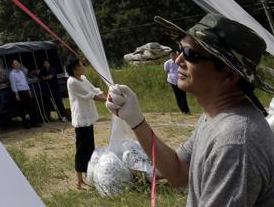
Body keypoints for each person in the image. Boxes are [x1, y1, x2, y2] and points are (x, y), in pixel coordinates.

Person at [106, 13, 274, 206]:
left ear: (229, 74)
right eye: (180, 50)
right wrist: (136, 121)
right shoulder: (215, 117)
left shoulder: (234, 141)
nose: (178, 61)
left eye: (190, 54)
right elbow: (179, 172)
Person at [65, 56, 106, 190]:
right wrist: (109, 100)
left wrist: (109, 94)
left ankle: (90, 176)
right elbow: (91, 96)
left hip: (87, 118)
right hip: (81, 120)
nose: (83, 67)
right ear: (74, 69)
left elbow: (94, 90)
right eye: (80, 65)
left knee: (90, 147)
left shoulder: (83, 79)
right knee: (82, 149)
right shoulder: (72, 82)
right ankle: (79, 181)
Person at [9, 59, 38, 128]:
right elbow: (13, 85)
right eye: (15, 63)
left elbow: (25, 82)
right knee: (23, 109)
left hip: (26, 91)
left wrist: (29, 90)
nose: (17, 64)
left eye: (17, 63)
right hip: (20, 92)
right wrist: (16, 94)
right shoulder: (12, 74)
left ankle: (33, 122)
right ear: (12, 65)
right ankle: (26, 124)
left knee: (31, 107)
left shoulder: (21, 72)